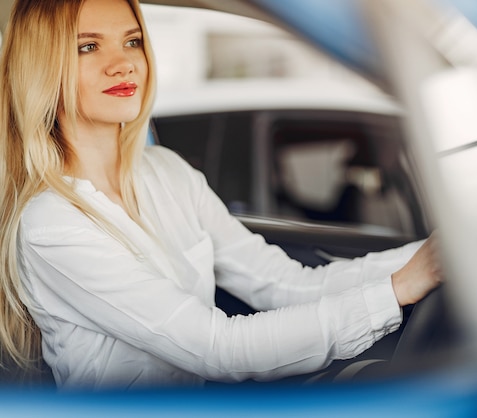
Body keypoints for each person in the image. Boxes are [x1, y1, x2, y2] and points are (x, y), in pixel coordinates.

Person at [0, 0, 441, 390]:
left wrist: (436, 257)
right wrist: (397, 291)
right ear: (43, 66)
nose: (123, 63)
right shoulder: (51, 224)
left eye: (132, 41)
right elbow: (218, 348)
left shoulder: (167, 172)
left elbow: (286, 284)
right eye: (88, 47)